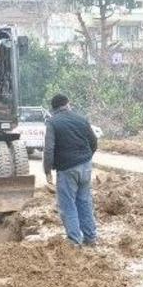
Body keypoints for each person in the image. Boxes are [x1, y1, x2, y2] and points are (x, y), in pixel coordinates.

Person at [43, 94, 99, 247]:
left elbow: (49, 149)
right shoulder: (81, 119)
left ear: (53, 109)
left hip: (67, 169)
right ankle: (91, 238)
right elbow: (94, 142)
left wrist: (47, 170)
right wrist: (86, 158)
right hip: (86, 165)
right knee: (85, 201)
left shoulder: (52, 122)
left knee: (68, 203)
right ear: (67, 104)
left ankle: (74, 240)